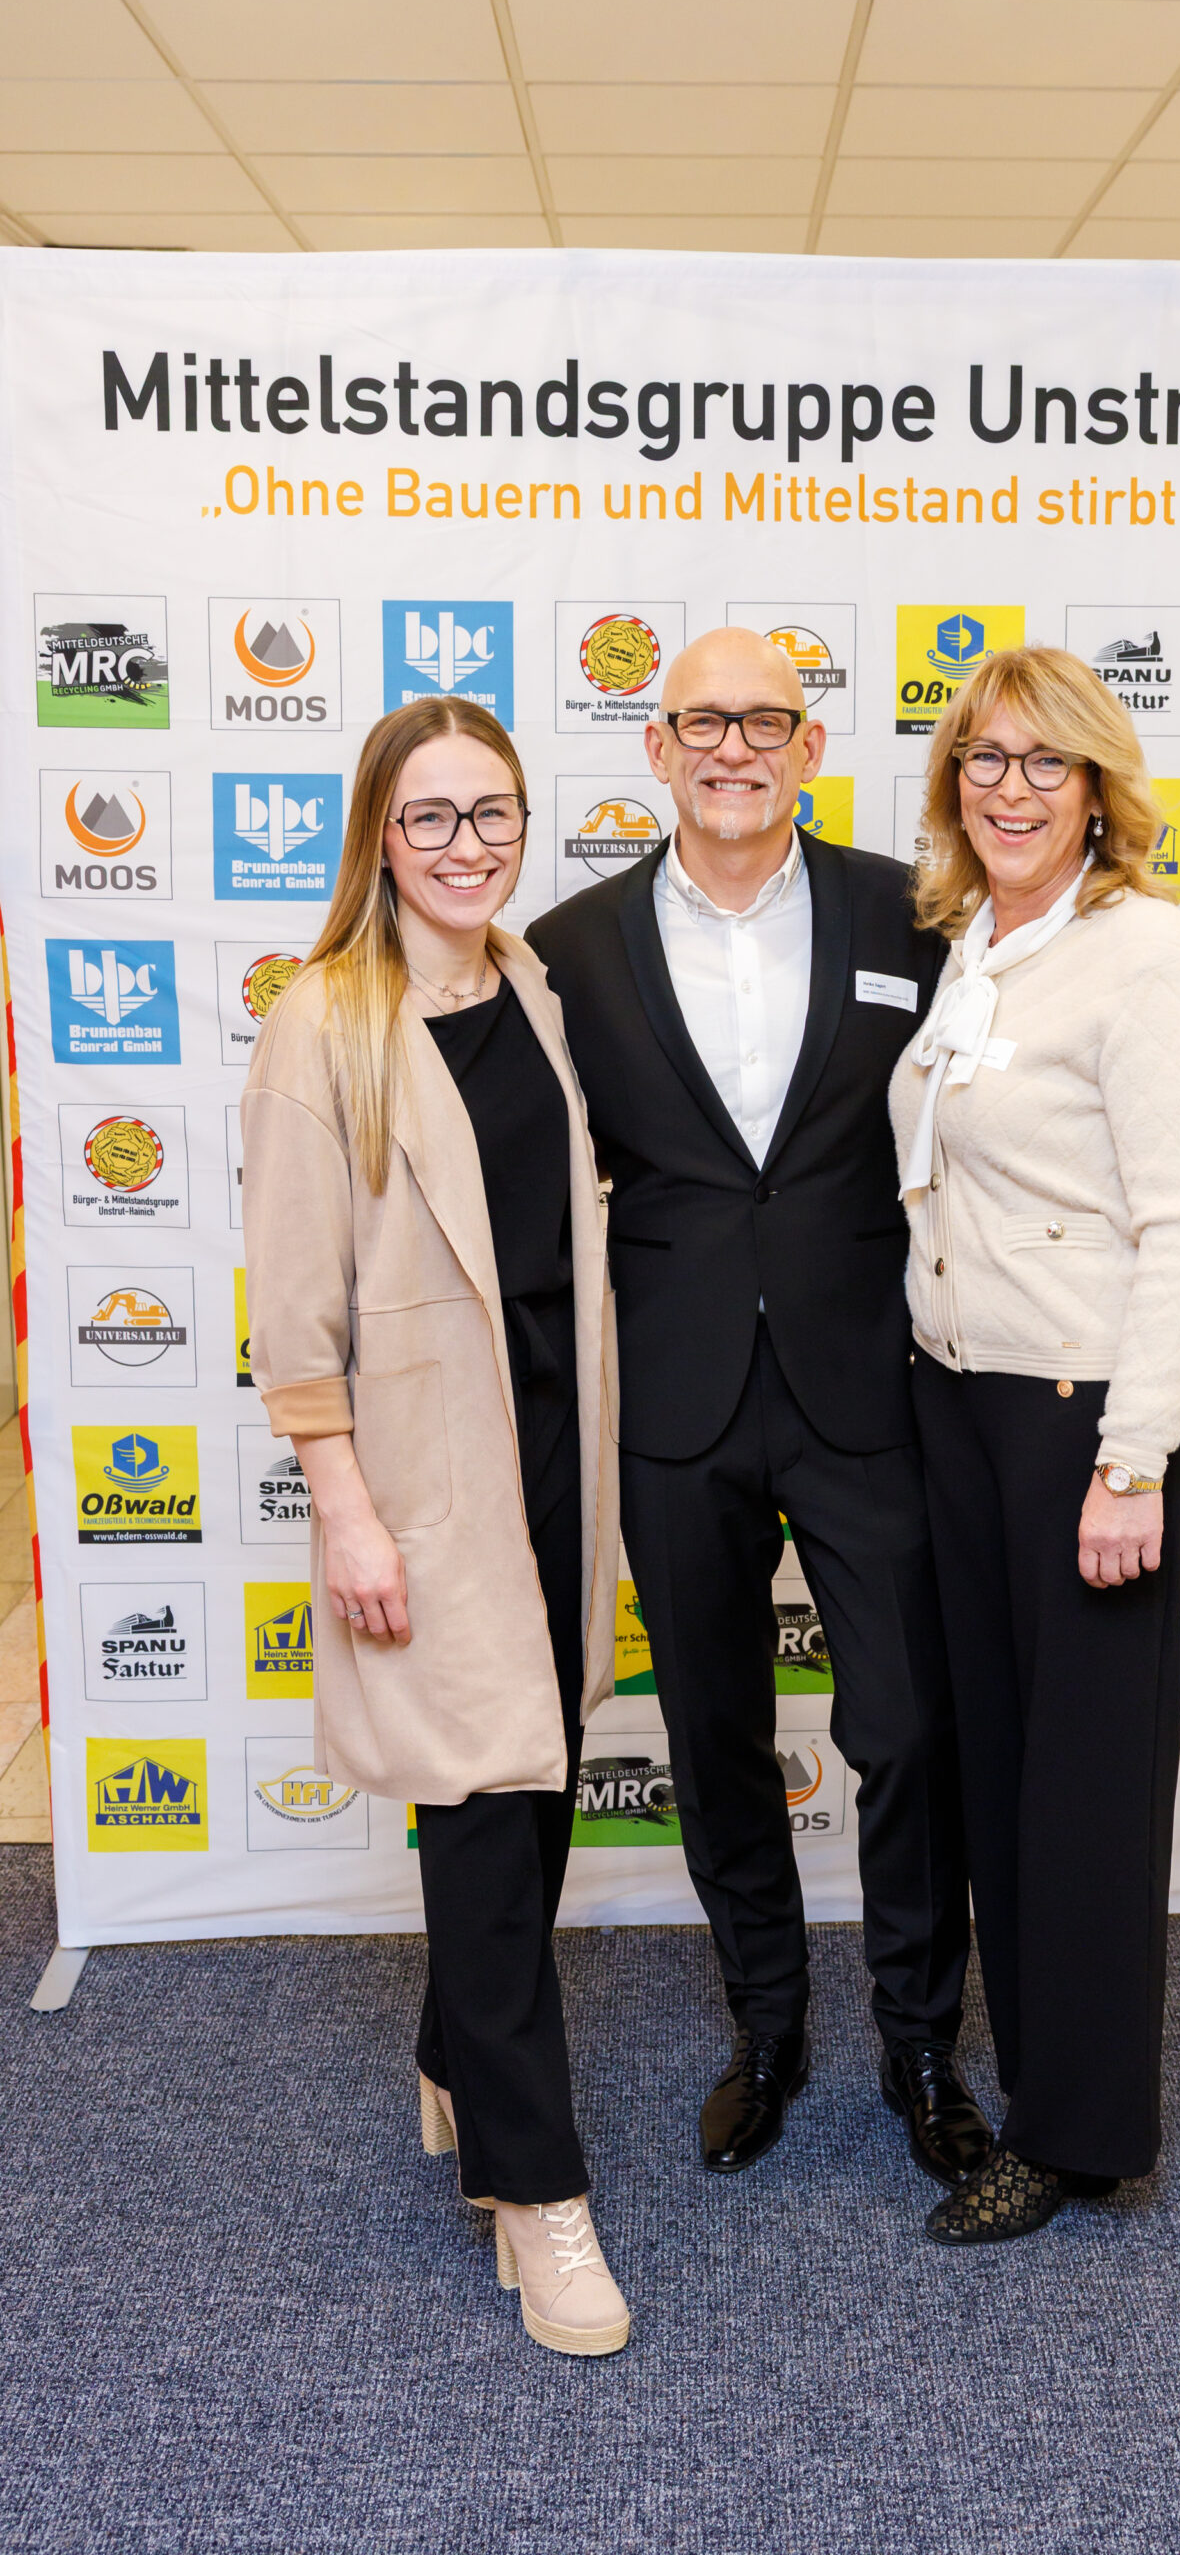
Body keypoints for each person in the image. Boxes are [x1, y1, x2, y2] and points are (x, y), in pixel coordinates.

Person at [528, 626, 991, 2191]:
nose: (735, 747)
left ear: (810, 746)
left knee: (909, 1728)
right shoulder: (569, 948)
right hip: (676, 1398)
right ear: (657, 748)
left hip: (869, 1382)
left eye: (766, 721)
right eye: (704, 722)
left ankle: (921, 2045)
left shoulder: (911, 914)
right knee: (713, 1732)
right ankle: (768, 2026)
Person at [242, 697, 629, 2356]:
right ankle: (535, 2196)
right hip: (422, 1470)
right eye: (432, 818)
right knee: (476, 1809)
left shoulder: (533, 986)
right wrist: (346, 1509)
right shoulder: (322, 1023)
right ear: (379, 838)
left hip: (557, 1448)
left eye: (494, 814)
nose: (468, 846)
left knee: (533, 1790)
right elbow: (294, 1310)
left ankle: (452, 2054)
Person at [889, 645, 1180, 2246]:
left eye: (1045, 761)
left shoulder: (1146, 954)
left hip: (1089, 1420)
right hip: (965, 1407)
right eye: (984, 757)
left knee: (1084, 1791)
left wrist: (1132, 1461)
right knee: (1005, 1776)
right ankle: (1038, 2084)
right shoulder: (974, 942)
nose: (1010, 787)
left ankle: (1080, 2138)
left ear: (1099, 788)